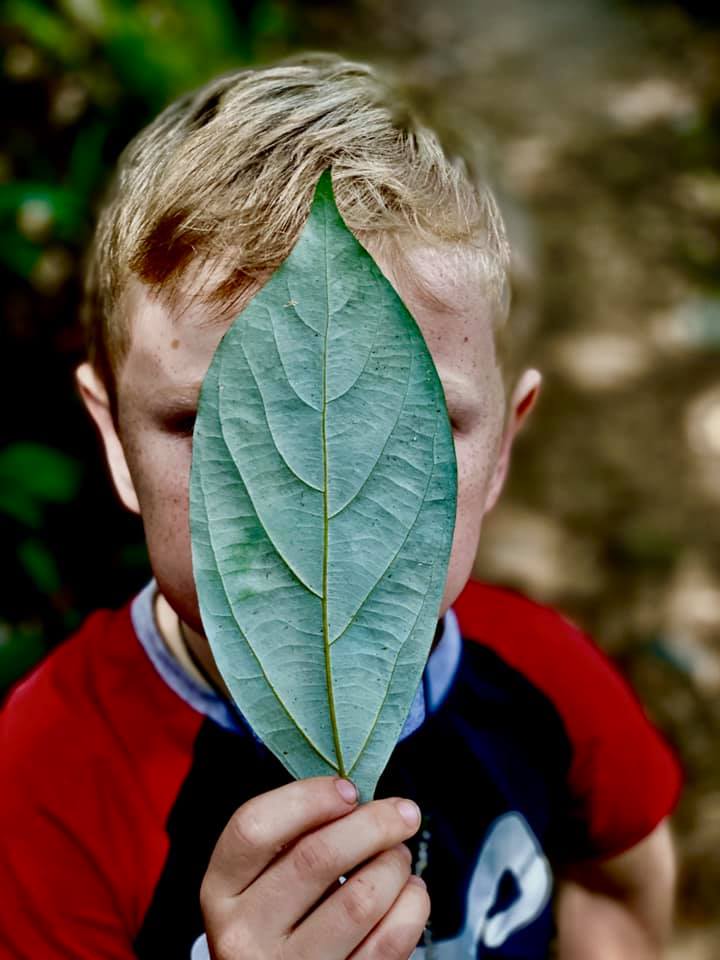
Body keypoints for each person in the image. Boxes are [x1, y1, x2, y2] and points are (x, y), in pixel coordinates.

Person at [0, 55, 681, 960]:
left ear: (502, 447)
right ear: (116, 441)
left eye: (404, 423)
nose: (314, 502)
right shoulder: (43, 784)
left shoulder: (544, 678)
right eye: (219, 423)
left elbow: (619, 882)